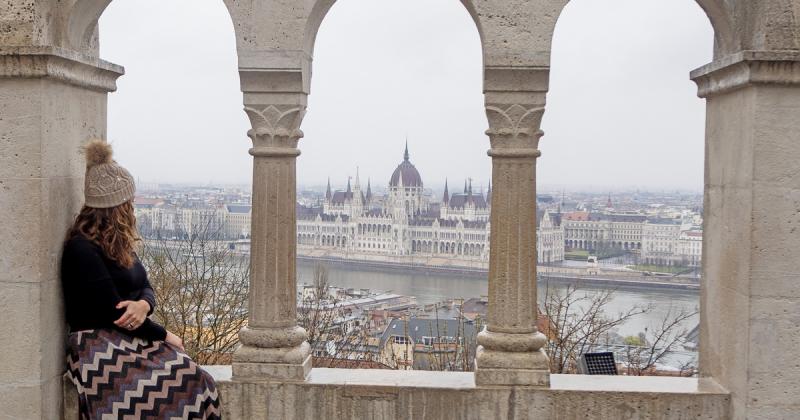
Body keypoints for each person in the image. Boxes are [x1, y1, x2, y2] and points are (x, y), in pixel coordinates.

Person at [62, 139, 221, 419]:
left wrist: (143, 306)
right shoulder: (82, 248)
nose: (133, 206)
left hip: (128, 335)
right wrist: (165, 334)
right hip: (98, 345)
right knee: (189, 381)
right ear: (116, 207)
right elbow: (115, 313)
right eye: (128, 201)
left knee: (200, 381)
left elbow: (145, 286)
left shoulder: (117, 243)